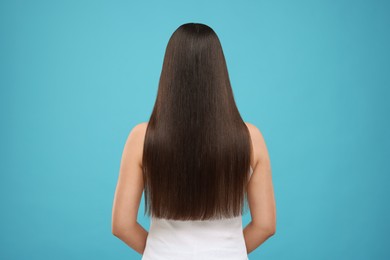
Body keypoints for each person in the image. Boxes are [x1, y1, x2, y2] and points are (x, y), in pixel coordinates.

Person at [111, 22, 276, 259]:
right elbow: (265, 226)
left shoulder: (142, 137)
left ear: (169, 71)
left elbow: (122, 225)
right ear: (219, 72)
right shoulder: (251, 138)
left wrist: (161, 250)